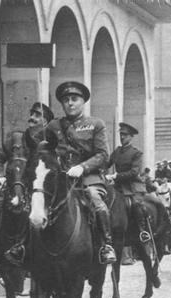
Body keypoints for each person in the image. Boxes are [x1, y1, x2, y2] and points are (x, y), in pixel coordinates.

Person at [45, 81, 115, 264]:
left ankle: (106, 245)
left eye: (74, 99)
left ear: (83, 102)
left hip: (88, 178)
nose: (70, 103)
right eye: (66, 100)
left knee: (96, 201)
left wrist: (82, 167)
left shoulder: (95, 124)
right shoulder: (53, 126)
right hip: (61, 178)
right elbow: (46, 150)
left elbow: (103, 155)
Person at [0, 102, 54, 262]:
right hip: (13, 185)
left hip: (37, 188)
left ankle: (49, 251)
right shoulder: (16, 138)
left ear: (45, 122)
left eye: (37, 115)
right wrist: (0, 176)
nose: (32, 117)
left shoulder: (47, 142)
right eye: (32, 114)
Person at [106, 122, 151, 243]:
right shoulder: (117, 152)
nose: (122, 137)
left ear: (131, 137)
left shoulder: (136, 153)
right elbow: (106, 164)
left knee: (136, 205)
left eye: (125, 135)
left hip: (133, 187)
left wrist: (116, 176)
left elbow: (134, 172)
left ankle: (142, 231)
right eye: (121, 134)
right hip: (118, 186)